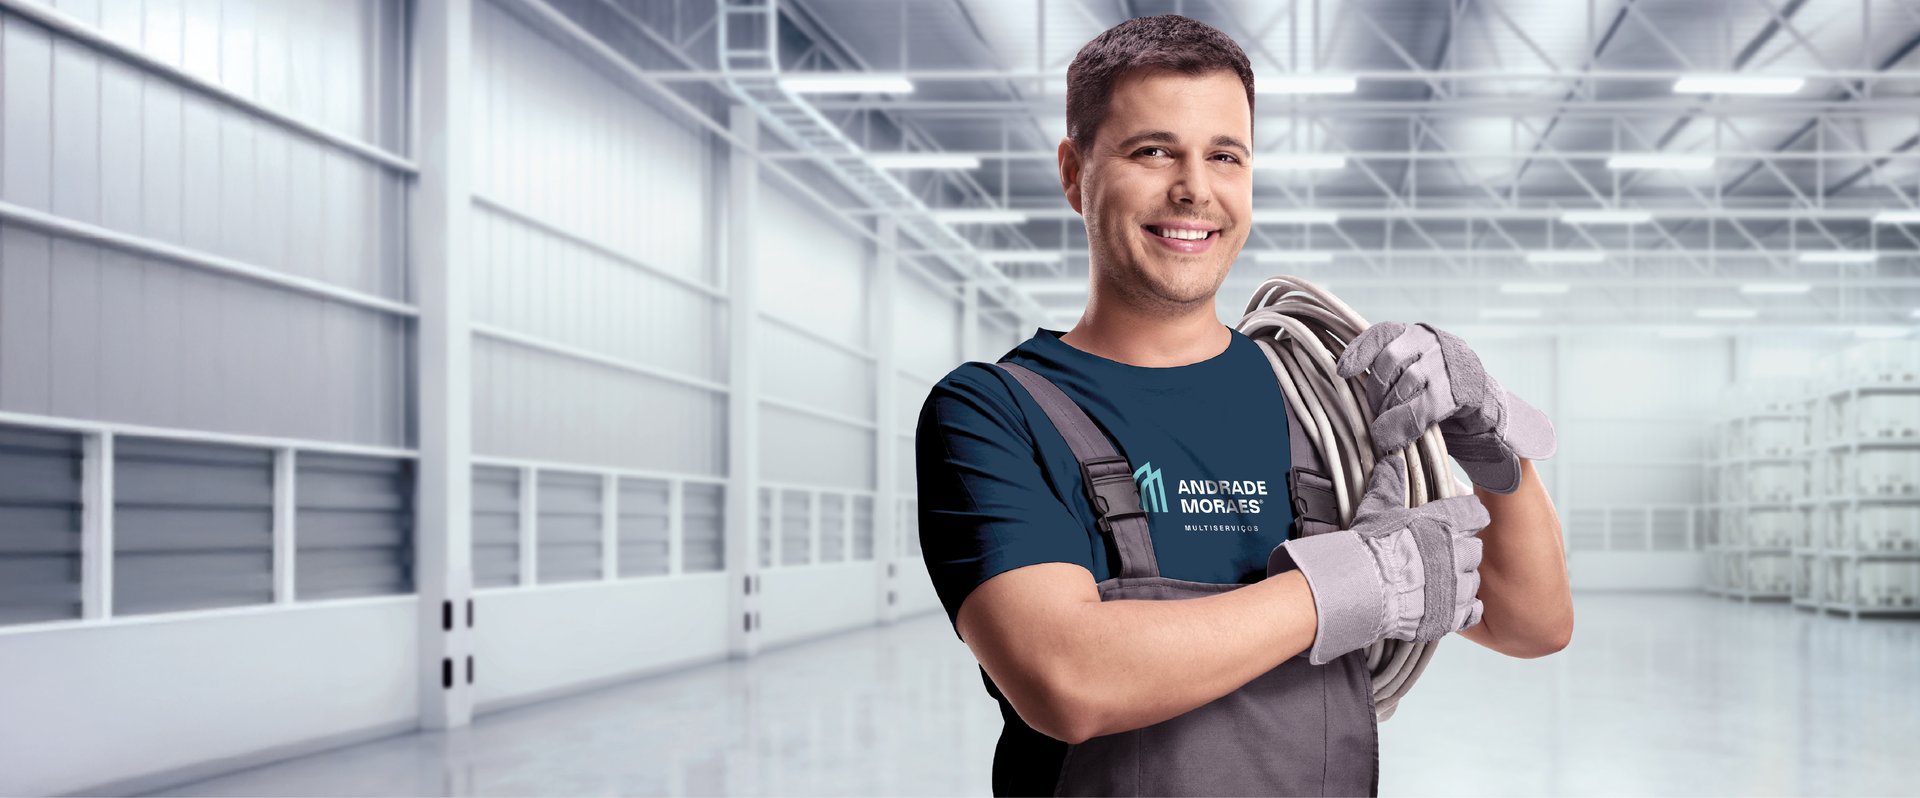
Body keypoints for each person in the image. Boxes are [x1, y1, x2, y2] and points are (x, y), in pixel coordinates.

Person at [914, 15, 1574, 798]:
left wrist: (1488, 440)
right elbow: (1068, 677)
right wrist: (1347, 584)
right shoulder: (994, 410)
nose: (1194, 188)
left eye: (1224, 155)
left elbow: (1534, 626)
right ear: (1073, 170)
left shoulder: (1324, 397)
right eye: (1152, 150)